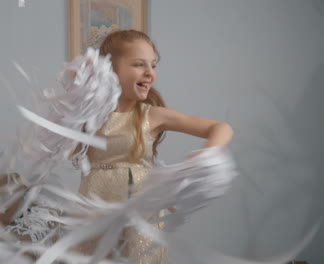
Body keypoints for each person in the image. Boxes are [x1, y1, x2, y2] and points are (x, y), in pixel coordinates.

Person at [76, 30, 234, 263]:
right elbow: (65, 151)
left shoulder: (153, 116)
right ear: (110, 69)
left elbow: (221, 128)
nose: (150, 73)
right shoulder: (90, 116)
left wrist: (209, 154)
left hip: (139, 208)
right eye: (139, 65)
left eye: (153, 65)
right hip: (95, 204)